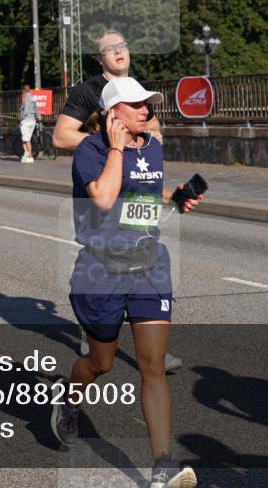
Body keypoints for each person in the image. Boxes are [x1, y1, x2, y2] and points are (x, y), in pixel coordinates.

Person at [51, 77, 201, 488]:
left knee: (153, 367)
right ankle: (69, 399)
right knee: (101, 363)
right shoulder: (91, 150)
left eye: (148, 105)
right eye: (137, 105)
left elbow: (141, 194)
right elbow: (103, 197)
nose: (146, 111)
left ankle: (162, 465)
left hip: (149, 266)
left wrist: (173, 196)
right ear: (112, 112)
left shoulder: (152, 146)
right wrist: (116, 148)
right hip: (101, 270)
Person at [52, 30, 181, 373]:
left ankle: (150, 346)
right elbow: (61, 136)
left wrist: (146, 138)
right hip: (102, 169)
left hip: (134, 176)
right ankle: (94, 327)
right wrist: (108, 142)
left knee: (140, 246)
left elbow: (153, 128)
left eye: (122, 45)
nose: (119, 52)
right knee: (105, 251)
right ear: (100, 59)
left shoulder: (138, 90)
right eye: (110, 49)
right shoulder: (88, 91)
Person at [19, 84, 41, 163]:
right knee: (26, 139)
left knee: (26, 140)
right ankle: (26, 155)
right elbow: (36, 109)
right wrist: (38, 117)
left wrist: (21, 117)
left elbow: (26, 110)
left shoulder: (26, 98)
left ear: (24, 91)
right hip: (32, 121)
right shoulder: (33, 98)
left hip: (26, 121)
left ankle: (30, 157)